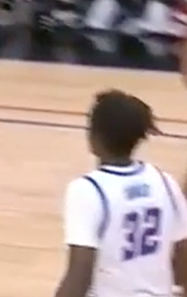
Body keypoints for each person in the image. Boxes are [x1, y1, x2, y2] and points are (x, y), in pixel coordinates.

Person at [52, 89, 187, 297]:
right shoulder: (166, 183)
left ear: (94, 136)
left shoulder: (87, 190)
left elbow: (79, 276)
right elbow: (183, 253)